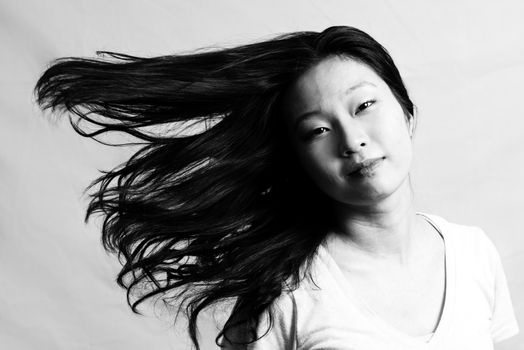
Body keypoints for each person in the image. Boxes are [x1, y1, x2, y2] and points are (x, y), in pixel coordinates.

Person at [34, 26, 519, 349]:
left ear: (407, 115)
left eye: (364, 106)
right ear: (300, 160)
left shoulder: (473, 252)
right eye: (317, 131)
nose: (353, 141)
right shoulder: (285, 293)